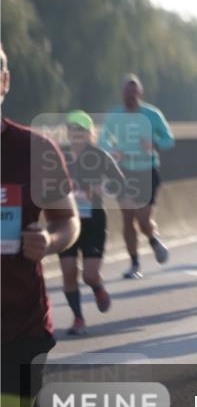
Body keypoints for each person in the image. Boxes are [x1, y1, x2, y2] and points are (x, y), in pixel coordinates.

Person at [1, 45, 80, 407]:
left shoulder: (35, 149)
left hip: (20, 330)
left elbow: (69, 222)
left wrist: (47, 241)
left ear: (4, 82)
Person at [99, 74, 175, 279]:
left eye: (134, 91)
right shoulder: (115, 115)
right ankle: (134, 264)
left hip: (147, 170)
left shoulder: (152, 115)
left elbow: (169, 140)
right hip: (123, 171)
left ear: (140, 93)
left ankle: (153, 239)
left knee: (143, 218)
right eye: (127, 90)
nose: (130, 94)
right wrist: (113, 151)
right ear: (122, 93)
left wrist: (153, 144)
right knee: (127, 218)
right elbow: (103, 140)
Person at [59, 111, 127, 335]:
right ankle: (78, 318)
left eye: (80, 130)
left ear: (90, 134)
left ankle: (97, 286)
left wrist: (103, 189)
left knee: (88, 274)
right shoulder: (60, 157)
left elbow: (121, 184)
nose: (76, 134)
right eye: (72, 129)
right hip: (67, 220)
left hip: (94, 221)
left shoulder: (100, 156)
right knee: (68, 271)